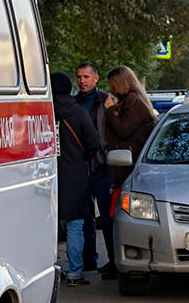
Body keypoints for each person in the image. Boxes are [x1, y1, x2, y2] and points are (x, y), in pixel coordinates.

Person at [51, 71, 102, 286]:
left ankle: (48, 272)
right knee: (75, 227)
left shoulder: (42, 114)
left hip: (45, 176)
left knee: (47, 228)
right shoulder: (79, 113)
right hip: (75, 176)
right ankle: (75, 273)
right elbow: (93, 144)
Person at [102, 65, 157, 260]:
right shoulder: (131, 101)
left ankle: (118, 259)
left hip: (127, 170)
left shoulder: (134, 102)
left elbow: (124, 130)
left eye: (113, 84)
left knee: (117, 219)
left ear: (121, 83)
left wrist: (109, 111)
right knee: (113, 218)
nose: (111, 89)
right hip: (122, 168)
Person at [74, 61, 114, 273]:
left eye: (86, 77)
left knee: (108, 218)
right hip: (80, 169)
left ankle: (114, 261)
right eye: (79, 77)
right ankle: (89, 259)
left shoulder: (106, 101)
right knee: (84, 218)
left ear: (96, 78)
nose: (82, 81)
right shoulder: (74, 104)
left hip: (102, 168)